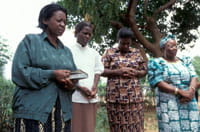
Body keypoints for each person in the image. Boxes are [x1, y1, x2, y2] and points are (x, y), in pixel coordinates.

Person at [12, 3, 77, 132]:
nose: (63, 24)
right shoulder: (30, 41)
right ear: (45, 20)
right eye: (59, 20)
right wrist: (52, 74)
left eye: (65, 21)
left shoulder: (66, 51)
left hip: (62, 113)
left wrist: (71, 85)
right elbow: (19, 72)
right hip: (33, 111)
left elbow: (74, 78)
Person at [148, 34, 200, 131]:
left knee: (192, 128)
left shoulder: (185, 61)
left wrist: (191, 92)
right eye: (171, 46)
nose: (174, 48)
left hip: (188, 100)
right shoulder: (156, 62)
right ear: (163, 48)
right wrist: (179, 92)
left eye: (176, 46)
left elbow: (193, 76)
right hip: (169, 103)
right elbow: (157, 81)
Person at [101, 27, 147, 132]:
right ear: (118, 40)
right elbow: (101, 70)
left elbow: (144, 71)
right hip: (115, 98)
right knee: (117, 127)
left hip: (134, 98)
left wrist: (137, 73)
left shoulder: (136, 53)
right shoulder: (109, 52)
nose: (125, 46)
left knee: (136, 127)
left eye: (128, 43)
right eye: (123, 43)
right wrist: (118, 72)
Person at [69, 21, 104, 132]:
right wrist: (80, 88)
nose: (87, 36)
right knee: (75, 127)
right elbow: (67, 73)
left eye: (89, 34)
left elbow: (98, 70)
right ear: (76, 33)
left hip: (90, 97)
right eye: (84, 33)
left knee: (88, 128)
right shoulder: (68, 51)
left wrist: (94, 87)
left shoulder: (94, 53)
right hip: (75, 96)